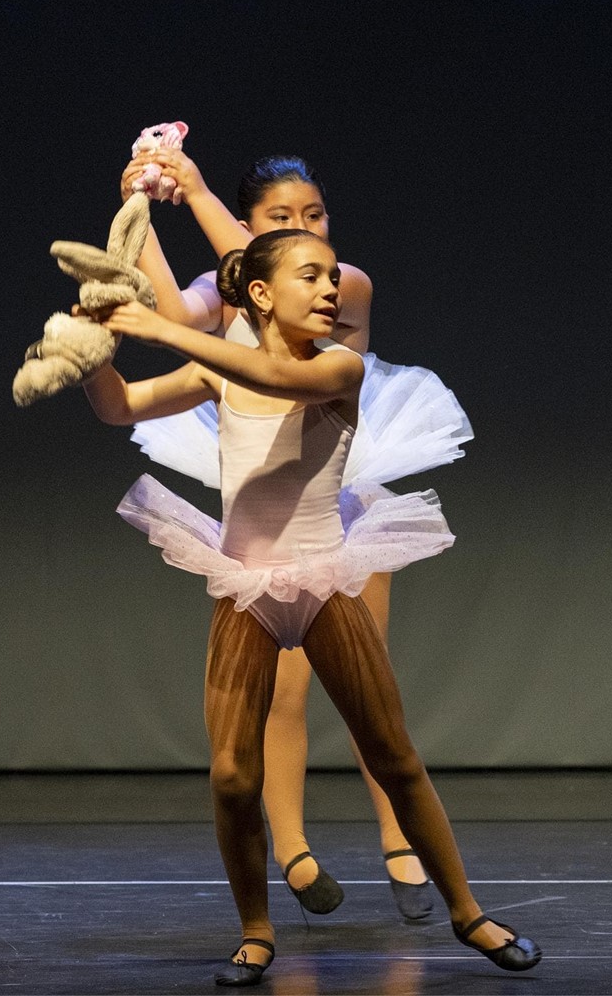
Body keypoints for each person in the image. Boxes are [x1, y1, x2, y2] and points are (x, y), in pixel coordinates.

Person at [80, 229, 541, 985]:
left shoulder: (339, 366)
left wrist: (159, 326)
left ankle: (468, 913)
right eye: (311, 276)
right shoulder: (223, 372)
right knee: (232, 776)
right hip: (249, 585)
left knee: (392, 753)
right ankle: (257, 931)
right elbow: (121, 407)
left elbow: (276, 378)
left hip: (324, 579)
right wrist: (90, 350)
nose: (332, 288)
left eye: (333, 277)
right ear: (260, 295)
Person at [114, 149, 473, 919]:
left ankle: (400, 839)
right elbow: (180, 316)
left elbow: (263, 328)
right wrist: (141, 202)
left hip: (337, 495)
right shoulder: (239, 291)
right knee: (277, 701)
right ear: (250, 234)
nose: (309, 235)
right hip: (261, 491)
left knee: (373, 700)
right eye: (285, 220)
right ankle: (291, 849)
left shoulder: (341, 286)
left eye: (316, 217)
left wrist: (199, 191)